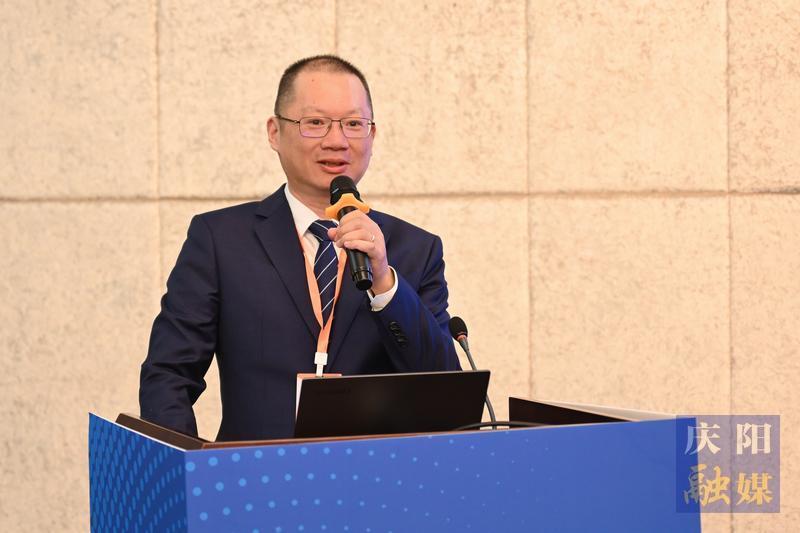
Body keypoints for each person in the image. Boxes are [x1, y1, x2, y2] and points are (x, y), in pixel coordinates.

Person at [139, 55, 460, 441]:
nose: (337, 140)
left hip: (373, 473)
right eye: (316, 123)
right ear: (275, 132)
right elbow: (169, 375)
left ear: (372, 136)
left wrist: (385, 285)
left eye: (353, 124)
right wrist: (189, 465)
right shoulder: (220, 240)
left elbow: (446, 392)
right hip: (253, 472)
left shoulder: (415, 250)